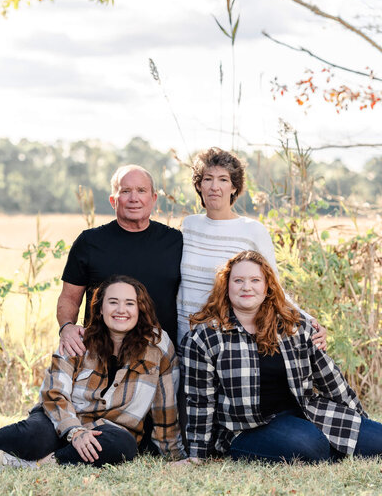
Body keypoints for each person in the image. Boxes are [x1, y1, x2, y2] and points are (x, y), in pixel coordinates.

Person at [181, 250, 382, 463]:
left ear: (267, 286)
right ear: (227, 286)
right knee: (309, 446)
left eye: (255, 280)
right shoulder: (206, 337)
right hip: (247, 428)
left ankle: (327, 449)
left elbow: (330, 378)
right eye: (238, 280)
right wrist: (198, 454)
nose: (246, 287)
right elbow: (201, 400)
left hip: (306, 413)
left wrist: (358, 418)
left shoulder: (293, 326)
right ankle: (322, 451)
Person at [0, 275, 186, 468]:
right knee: (35, 434)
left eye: (130, 303)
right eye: (113, 302)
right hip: (62, 419)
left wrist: (172, 454)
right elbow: (54, 394)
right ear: (100, 309)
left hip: (109, 430)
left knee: (122, 445)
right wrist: (75, 431)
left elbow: (166, 404)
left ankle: (40, 465)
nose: (121, 310)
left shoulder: (157, 346)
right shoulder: (77, 341)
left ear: (140, 309)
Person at [176, 147, 326, 346]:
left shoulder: (252, 230)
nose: (214, 186)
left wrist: (308, 321)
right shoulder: (188, 226)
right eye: (207, 179)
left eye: (223, 179)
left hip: (227, 340)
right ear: (199, 185)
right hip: (183, 334)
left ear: (234, 187)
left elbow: (273, 286)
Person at [57, 165, 182, 353]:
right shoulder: (89, 242)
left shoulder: (175, 241)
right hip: (100, 355)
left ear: (153, 198)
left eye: (141, 190)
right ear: (112, 200)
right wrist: (66, 327)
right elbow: (69, 298)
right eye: (125, 191)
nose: (134, 198)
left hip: (160, 359)